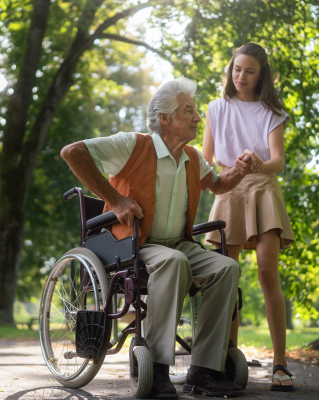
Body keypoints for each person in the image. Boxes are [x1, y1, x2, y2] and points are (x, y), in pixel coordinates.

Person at [61, 78, 254, 398]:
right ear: (164, 118)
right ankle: (160, 368)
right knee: (174, 262)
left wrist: (241, 169)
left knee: (227, 268)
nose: (197, 117)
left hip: (178, 243)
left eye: (195, 110)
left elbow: (219, 184)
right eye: (188, 110)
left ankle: (204, 370)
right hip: (131, 242)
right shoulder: (131, 145)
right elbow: (73, 152)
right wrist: (117, 199)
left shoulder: (192, 156)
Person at [202, 43, 296, 392]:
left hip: (262, 189)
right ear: (230, 70)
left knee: (267, 272)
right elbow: (206, 157)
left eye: (250, 71)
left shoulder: (271, 111)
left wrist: (258, 162)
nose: (241, 76)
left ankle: (280, 364)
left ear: (261, 76)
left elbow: (278, 161)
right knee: (227, 278)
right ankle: (227, 358)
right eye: (237, 69)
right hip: (228, 188)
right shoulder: (215, 108)